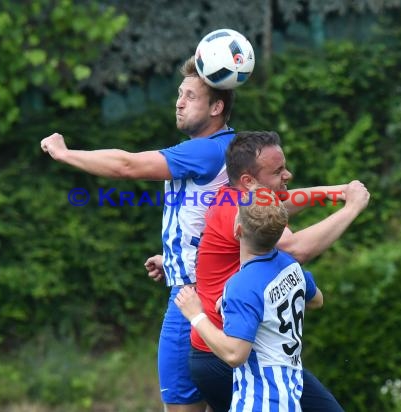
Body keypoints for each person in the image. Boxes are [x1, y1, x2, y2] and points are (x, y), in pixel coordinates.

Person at [41, 56, 236, 412]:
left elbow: (127, 166)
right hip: (211, 283)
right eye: (180, 94)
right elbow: (215, 218)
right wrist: (175, 259)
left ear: (216, 107)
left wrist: (64, 153)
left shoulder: (206, 150)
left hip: (194, 294)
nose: (178, 102)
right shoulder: (226, 146)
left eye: (191, 96)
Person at [185, 130, 370, 411]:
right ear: (248, 182)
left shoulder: (245, 203)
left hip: (255, 351)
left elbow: (278, 205)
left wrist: (334, 192)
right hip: (225, 351)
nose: (289, 175)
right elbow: (296, 248)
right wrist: (351, 209)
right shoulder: (237, 213)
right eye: (278, 170)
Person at [175, 188, 324, 411]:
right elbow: (316, 300)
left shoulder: (241, 285)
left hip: (260, 401)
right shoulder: (290, 266)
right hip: (289, 394)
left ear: (238, 230)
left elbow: (234, 354)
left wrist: (196, 315)